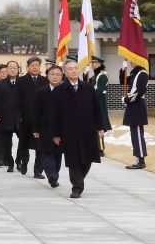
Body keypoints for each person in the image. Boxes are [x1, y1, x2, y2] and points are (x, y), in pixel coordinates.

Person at [51, 60, 104, 198]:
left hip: (87, 129)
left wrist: (100, 126)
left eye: (76, 68)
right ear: (65, 73)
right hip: (68, 130)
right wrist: (55, 133)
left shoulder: (88, 88)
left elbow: (97, 109)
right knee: (73, 159)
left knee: (88, 158)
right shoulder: (59, 90)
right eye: (70, 69)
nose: (74, 71)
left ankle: (79, 180)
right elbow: (55, 113)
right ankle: (77, 187)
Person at [14, 56, 49, 177]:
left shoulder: (45, 81)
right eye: (32, 65)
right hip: (26, 118)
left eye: (37, 65)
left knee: (40, 145)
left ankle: (38, 170)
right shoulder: (21, 81)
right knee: (24, 143)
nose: (35, 67)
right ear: (28, 67)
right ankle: (24, 162)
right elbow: (17, 99)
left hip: (40, 119)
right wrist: (18, 115)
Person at [32, 65, 63, 188]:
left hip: (61, 128)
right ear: (47, 76)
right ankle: (51, 174)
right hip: (45, 127)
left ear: (62, 76)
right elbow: (36, 112)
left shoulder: (65, 91)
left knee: (58, 153)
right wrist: (35, 128)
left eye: (58, 74)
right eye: (52, 74)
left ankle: (55, 174)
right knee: (46, 151)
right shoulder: (40, 92)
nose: (55, 77)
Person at [120, 60, 149, 169]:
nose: (131, 61)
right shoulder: (135, 73)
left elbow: (140, 91)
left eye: (133, 59)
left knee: (137, 134)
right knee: (134, 134)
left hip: (137, 105)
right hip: (133, 106)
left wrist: (127, 99)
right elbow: (123, 82)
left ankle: (141, 160)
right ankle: (138, 158)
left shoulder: (142, 73)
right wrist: (123, 70)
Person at [0, 61, 19, 171]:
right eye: (10, 68)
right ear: (7, 69)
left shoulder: (22, 83)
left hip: (20, 117)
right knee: (6, 143)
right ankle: (10, 162)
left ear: (18, 69)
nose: (13, 69)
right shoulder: (1, 84)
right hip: (5, 116)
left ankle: (20, 161)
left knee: (23, 142)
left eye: (15, 67)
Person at [88, 56, 112, 157]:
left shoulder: (102, 75)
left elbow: (100, 90)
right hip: (94, 101)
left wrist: (89, 96)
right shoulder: (95, 75)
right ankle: (94, 146)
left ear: (98, 64)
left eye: (93, 63)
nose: (92, 65)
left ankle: (100, 148)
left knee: (100, 124)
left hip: (100, 101)